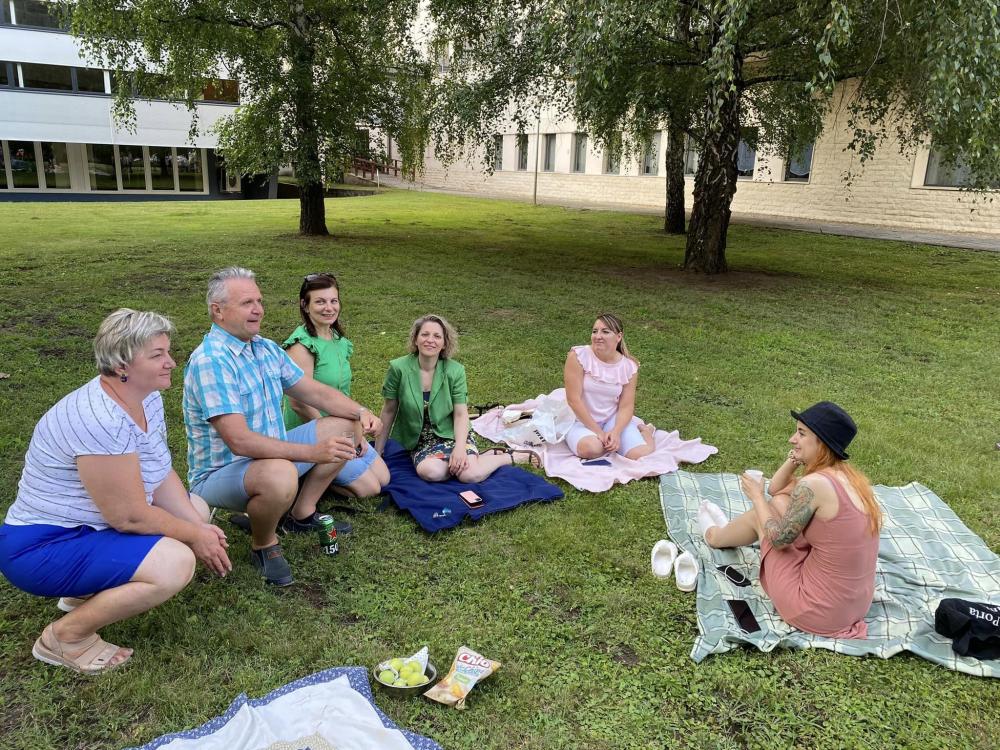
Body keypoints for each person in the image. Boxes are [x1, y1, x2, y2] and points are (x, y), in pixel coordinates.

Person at [0, 309, 231, 674]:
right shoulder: (98, 418)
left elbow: (159, 473)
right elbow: (129, 516)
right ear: (122, 365)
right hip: (41, 546)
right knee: (175, 562)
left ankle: (83, 593)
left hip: (87, 528)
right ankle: (65, 637)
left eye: (168, 352)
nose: (171, 362)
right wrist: (193, 537)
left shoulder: (145, 397)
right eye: (157, 355)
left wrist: (198, 528)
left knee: (196, 509)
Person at [183, 267, 382, 587]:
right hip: (222, 472)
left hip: (270, 457)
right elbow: (240, 441)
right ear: (217, 311)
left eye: (259, 301)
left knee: (346, 425)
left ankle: (301, 513)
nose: (258, 309)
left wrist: (361, 411)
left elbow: (314, 392)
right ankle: (264, 543)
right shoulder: (212, 360)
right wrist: (312, 452)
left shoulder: (263, 347)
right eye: (247, 303)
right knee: (280, 473)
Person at [698, 402, 882, 638]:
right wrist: (796, 458)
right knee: (779, 502)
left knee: (761, 514)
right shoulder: (847, 477)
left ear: (822, 443)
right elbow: (776, 490)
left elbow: (778, 540)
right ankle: (727, 531)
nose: (792, 439)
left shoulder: (814, 485)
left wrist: (756, 497)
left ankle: (715, 536)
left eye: (801, 434)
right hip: (853, 607)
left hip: (815, 610)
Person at [375, 314, 535, 481]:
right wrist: (378, 452)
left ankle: (507, 457)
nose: (430, 340)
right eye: (425, 334)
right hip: (421, 440)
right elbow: (389, 410)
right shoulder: (398, 368)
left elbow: (460, 414)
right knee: (431, 472)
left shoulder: (455, 371)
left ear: (444, 344)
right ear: (415, 339)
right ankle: (477, 460)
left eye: (437, 336)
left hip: (452, 432)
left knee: (470, 475)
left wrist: (459, 448)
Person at [281, 272, 389, 505]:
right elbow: (298, 403)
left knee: (384, 478)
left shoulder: (337, 339)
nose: (329, 308)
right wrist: (337, 436)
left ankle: (323, 474)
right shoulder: (301, 346)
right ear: (305, 305)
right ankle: (307, 476)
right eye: (320, 301)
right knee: (369, 489)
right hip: (312, 431)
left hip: (343, 426)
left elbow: (341, 393)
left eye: (333, 301)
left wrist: (355, 434)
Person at [563, 313, 655, 460]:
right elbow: (573, 400)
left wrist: (616, 432)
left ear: (618, 337)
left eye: (605, 332)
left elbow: (626, 406)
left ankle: (646, 432)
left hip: (611, 420)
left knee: (638, 454)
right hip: (579, 420)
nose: (598, 336)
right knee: (592, 449)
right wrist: (599, 432)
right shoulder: (578, 356)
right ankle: (601, 441)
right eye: (595, 331)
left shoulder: (629, 366)